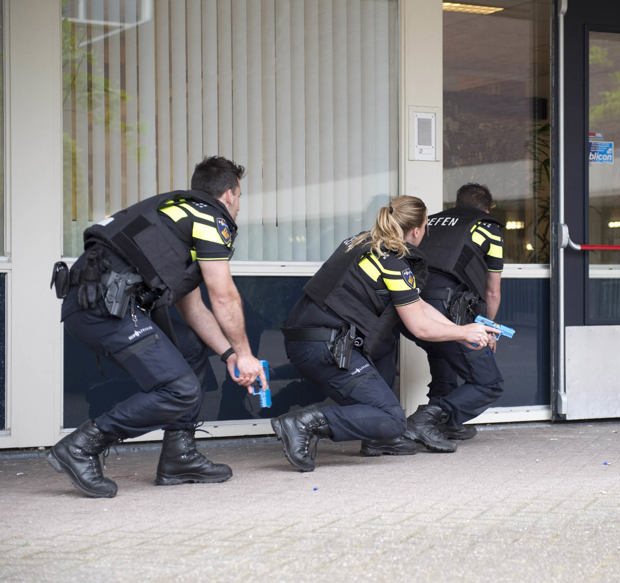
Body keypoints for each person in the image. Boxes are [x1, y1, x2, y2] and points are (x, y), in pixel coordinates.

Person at [47, 156, 268, 498]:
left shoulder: (175, 217)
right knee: (180, 389)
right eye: (239, 197)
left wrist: (227, 353)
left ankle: (179, 457)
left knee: (191, 346)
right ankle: (82, 445)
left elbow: (194, 308)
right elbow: (223, 296)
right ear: (228, 195)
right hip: (108, 309)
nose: (238, 206)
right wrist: (246, 354)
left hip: (95, 304)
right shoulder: (209, 217)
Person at [273, 195, 498, 472]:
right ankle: (303, 423)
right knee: (393, 419)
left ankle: (377, 440)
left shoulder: (360, 242)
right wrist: (463, 333)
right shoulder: (393, 261)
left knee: (384, 345)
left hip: (307, 340)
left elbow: (421, 306)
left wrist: (459, 329)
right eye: (426, 226)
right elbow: (420, 326)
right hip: (328, 347)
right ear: (416, 230)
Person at [402, 183, 505, 453]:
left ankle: (445, 425)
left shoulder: (431, 221)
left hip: (411, 308)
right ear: (486, 208)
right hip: (448, 309)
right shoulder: (488, 227)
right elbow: (492, 291)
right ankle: (425, 421)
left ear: (456, 203)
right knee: (488, 382)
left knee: (443, 358)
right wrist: (489, 329)